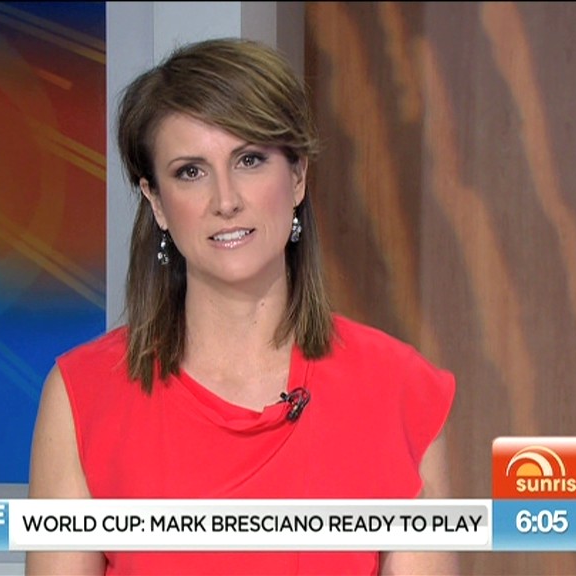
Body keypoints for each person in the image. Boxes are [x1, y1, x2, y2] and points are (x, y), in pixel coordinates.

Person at [26, 37, 456, 576]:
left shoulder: (399, 390)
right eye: (191, 171)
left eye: (250, 160)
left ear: (297, 176)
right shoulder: (84, 395)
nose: (225, 200)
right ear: (157, 202)